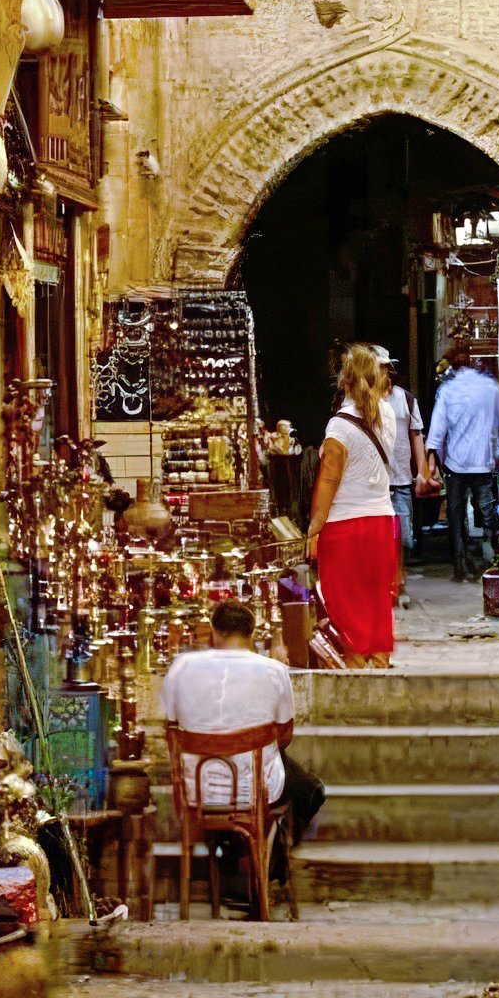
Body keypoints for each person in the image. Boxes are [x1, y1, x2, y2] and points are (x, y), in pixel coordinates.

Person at [158, 599, 326, 903]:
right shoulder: (274, 670)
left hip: (198, 788)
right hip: (256, 789)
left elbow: (171, 723)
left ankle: (241, 861)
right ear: (253, 632)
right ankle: (262, 864)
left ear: (213, 632)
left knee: (289, 773)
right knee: (301, 783)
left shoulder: (181, 667)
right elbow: (284, 734)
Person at [307, 344, 405, 667]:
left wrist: (313, 528)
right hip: (381, 522)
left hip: (344, 526)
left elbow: (328, 481)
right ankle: (379, 661)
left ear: (345, 382)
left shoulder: (339, 427)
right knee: (377, 598)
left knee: (343, 601)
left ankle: (355, 664)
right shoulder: (388, 414)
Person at [426, 341, 499, 581]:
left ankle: (460, 565)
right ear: (473, 363)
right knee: (488, 511)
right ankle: (495, 559)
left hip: (455, 464)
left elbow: (437, 431)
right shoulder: (489, 388)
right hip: (482, 462)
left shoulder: (447, 391)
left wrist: (432, 462)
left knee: (456, 516)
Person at [378, 349, 431, 606]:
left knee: (403, 538)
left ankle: (397, 581)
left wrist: (423, 470)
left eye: (387, 369)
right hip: (374, 481)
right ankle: (387, 586)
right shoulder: (362, 401)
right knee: (378, 538)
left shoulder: (406, 400)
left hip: (400, 478)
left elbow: (416, 434)